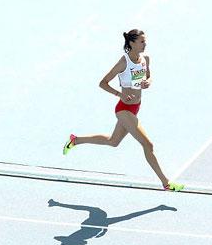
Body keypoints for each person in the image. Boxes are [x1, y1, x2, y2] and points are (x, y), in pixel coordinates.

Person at [63, 29, 184, 191]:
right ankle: (166, 183)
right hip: (123, 109)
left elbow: (148, 75)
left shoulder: (145, 59)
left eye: (145, 41)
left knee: (113, 142)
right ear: (132, 43)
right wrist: (119, 94)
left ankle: (75, 140)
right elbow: (103, 83)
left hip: (135, 108)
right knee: (148, 145)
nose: (145, 44)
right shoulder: (124, 62)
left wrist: (148, 82)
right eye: (141, 41)